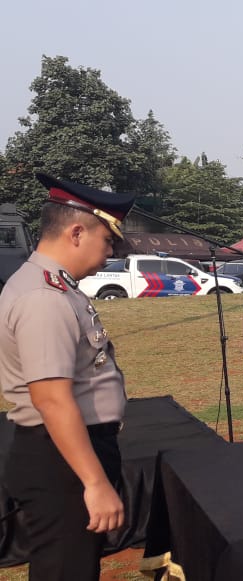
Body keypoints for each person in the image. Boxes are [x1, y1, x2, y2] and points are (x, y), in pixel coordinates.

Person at [0, 173, 137, 580]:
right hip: (61, 461)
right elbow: (52, 399)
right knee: (65, 570)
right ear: (76, 233)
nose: (109, 252)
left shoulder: (58, 287)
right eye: (107, 240)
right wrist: (94, 482)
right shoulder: (44, 297)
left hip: (67, 452)